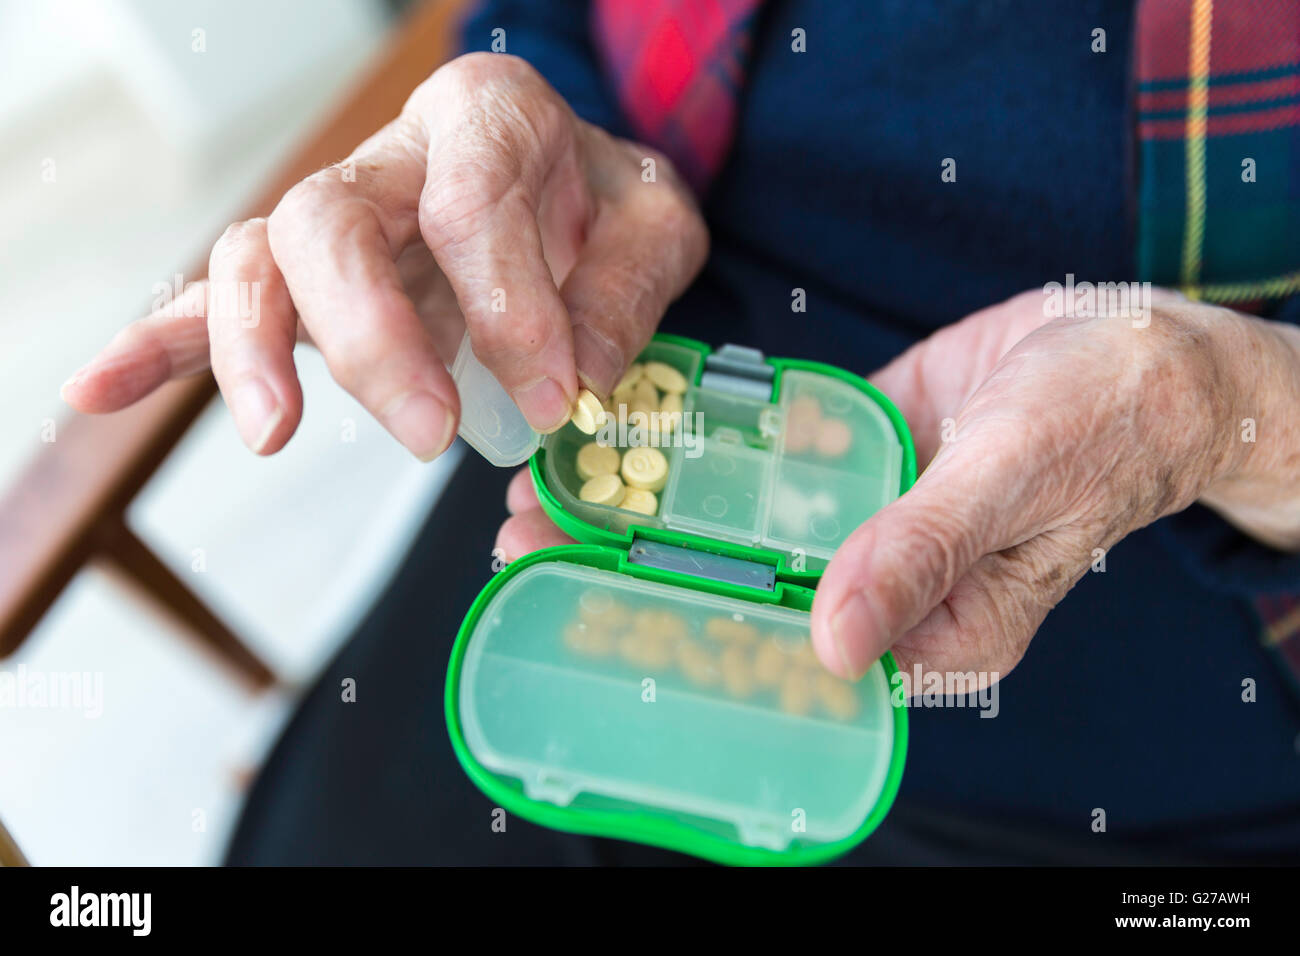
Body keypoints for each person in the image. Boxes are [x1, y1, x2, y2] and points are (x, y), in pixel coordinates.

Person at [63, 1, 1300, 864]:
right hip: (599, 512)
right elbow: (546, 13)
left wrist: (1226, 407)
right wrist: (526, 121)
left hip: (1143, 729)